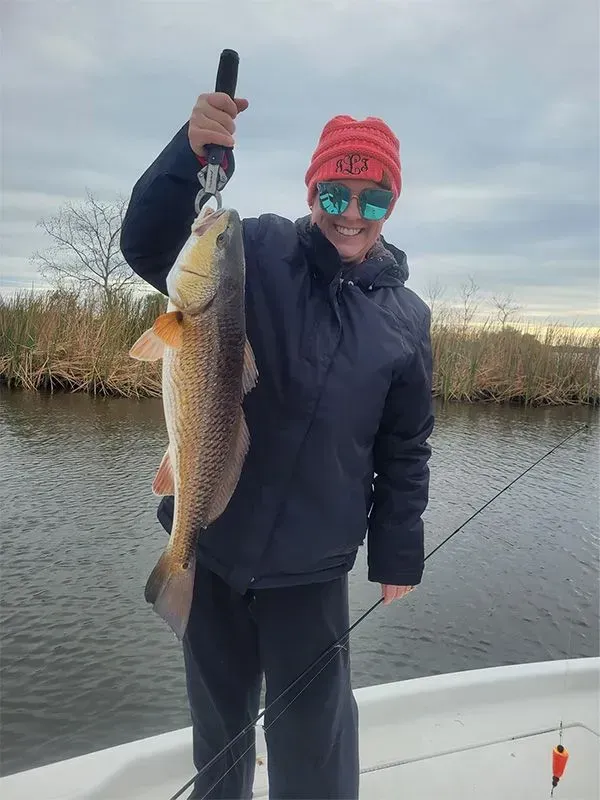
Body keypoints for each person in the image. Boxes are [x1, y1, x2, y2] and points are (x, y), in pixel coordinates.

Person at [120, 88, 435, 800]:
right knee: (220, 736)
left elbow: (406, 445)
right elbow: (146, 245)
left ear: (392, 205)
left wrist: (397, 550)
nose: (352, 213)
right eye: (335, 191)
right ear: (313, 188)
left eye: (374, 199)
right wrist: (188, 155)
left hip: (311, 572)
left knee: (313, 749)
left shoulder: (407, 321)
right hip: (215, 549)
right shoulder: (252, 247)